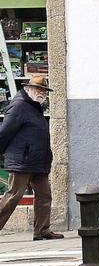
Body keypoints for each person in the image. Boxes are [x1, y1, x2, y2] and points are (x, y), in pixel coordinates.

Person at [0, 76, 61, 240]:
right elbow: (4, 132)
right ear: (29, 89)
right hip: (22, 160)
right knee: (14, 195)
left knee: (44, 196)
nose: (42, 93)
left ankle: (42, 230)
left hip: (38, 161)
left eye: (44, 91)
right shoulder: (19, 106)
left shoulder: (35, 106)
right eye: (39, 89)